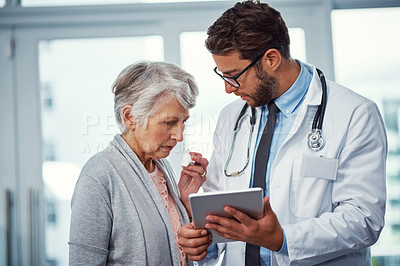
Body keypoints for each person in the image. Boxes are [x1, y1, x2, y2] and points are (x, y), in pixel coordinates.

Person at [177, 1, 387, 265]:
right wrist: (202, 243)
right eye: (223, 76)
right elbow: (223, 210)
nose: (229, 89)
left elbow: (364, 219)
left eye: (234, 76)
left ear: (271, 59)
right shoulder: (232, 117)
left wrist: (283, 239)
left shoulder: (354, 113)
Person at [68, 61, 209, 266]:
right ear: (130, 117)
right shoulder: (98, 176)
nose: (179, 136)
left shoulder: (160, 166)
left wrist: (187, 202)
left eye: (183, 122)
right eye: (169, 123)